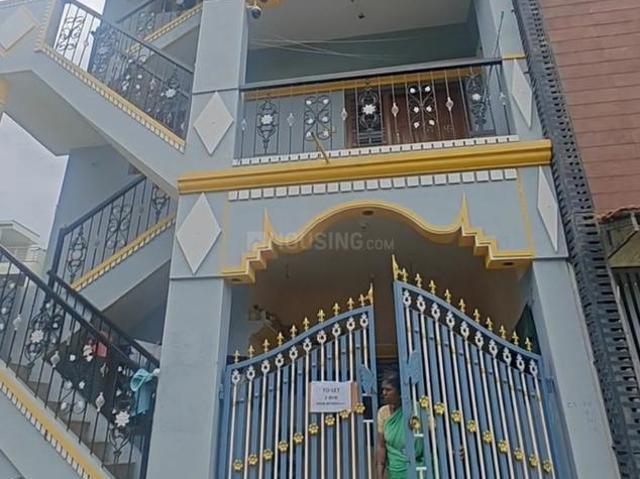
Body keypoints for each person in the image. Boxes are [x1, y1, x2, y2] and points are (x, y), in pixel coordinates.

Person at [376, 370, 425, 479]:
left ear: (400, 392)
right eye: (383, 389)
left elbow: (434, 434)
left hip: (418, 468)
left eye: (388, 389)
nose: (384, 393)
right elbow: (381, 446)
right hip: (395, 470)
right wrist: (380, 474)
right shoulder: (383, 412)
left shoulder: (416, 409)